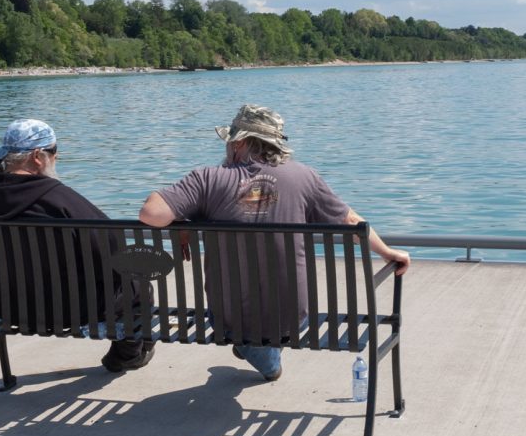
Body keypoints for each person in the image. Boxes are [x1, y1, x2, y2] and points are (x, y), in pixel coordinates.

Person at [137, 104, 410, 381]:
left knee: (246, 323)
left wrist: (183, 224)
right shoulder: (305, 177)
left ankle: (254, 348)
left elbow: (150, 213)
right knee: (270, 318)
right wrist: (388, 252)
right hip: (292, 319)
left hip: (228, 321)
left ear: (240, 142)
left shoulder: (208, 179)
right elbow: (352, 223)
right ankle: (259, 349)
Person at [0, 118, 155, 373]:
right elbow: (111, 248)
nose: (56, 157)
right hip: (71, 311)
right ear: (38, 156)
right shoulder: (57, 198)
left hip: (10, 307)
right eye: (54, 151)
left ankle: (128, 353)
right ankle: (126, 355)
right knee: (138, 286)